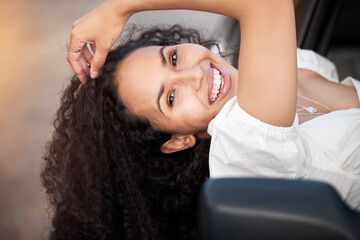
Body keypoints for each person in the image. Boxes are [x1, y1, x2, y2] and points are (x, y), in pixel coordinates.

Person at [42, 0, 360, 239]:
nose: (195, 74)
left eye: (174, 58)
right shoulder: (245, 152)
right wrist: (122, 8)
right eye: (170, 97)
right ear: (178, 140)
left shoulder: (276, 65)